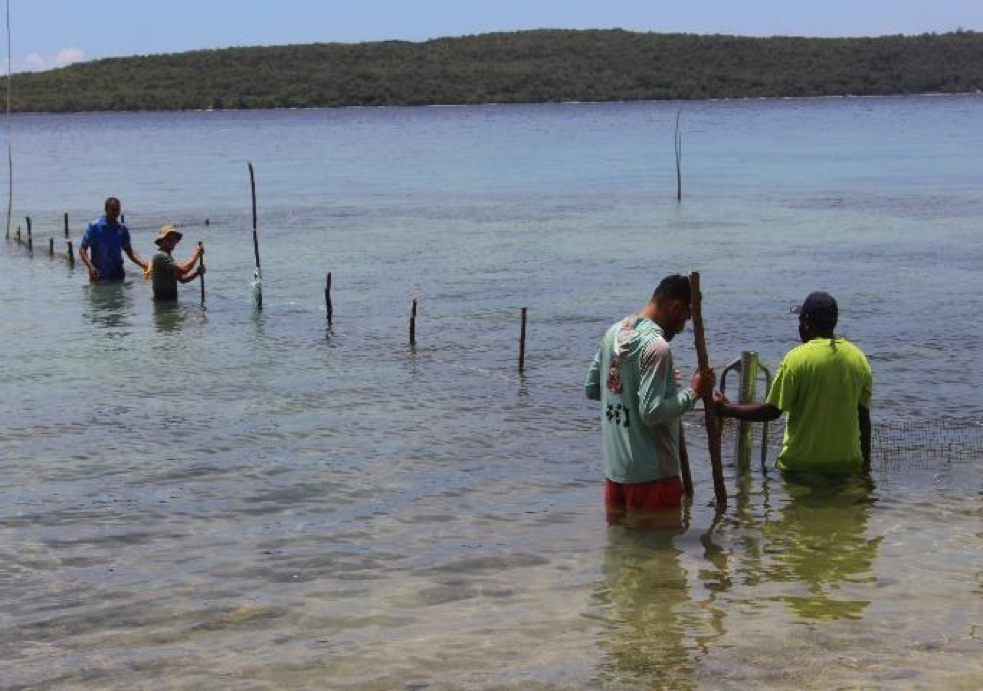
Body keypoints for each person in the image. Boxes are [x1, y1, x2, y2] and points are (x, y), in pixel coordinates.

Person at [585, 274, 714, 528]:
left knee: (622, 557)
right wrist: (694, 392)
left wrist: (643, 386)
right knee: (660, 559)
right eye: (685, 319)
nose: (682, 327)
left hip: (616, 475)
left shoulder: (613, 333)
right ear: (675, 307)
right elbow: (651, 412)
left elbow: (593, 388)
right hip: (653, 479)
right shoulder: (657, 346)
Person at [715, 291, 873, 474]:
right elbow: (864, 417)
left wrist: (727, 409)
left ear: (807, 323)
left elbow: (772, 411)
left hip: (800, 467)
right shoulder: (858, 358)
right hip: (846, 467)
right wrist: (865, 467)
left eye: (800, 321)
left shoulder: (796, 358)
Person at [79, 197, 147, 281]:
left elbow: (130, 253)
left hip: (118, 275)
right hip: (98, 275)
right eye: (113, 210)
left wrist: (144, 265)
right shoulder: (94, 227)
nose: (116, 213)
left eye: (118, 210)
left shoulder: (122, 229)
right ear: (106, 209)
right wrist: (91, 267)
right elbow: (82, 249)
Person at [149, 225, 204, 301]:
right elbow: (185, 269)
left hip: (171, 301)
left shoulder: (168, 257)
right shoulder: (160, 256)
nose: (172, 242)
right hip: (163, 302)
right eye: (168, 239)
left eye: (174, 239)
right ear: (161, 241)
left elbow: (182, 279)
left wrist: (197, 272)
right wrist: (197, 253)